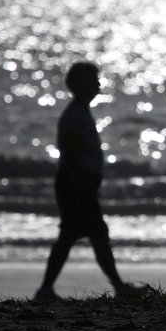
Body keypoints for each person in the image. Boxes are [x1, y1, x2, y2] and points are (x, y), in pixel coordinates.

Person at [34, 62, 144, 301]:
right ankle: (116, 287)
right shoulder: (74, 116)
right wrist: (82, 187)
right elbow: (72, 157)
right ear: (80, 85)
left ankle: (48, 289)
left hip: (77, 184)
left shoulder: (80, 112)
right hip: (75, 185)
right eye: (93, 80)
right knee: (88, 234)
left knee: (82, 235)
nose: (97, 85)